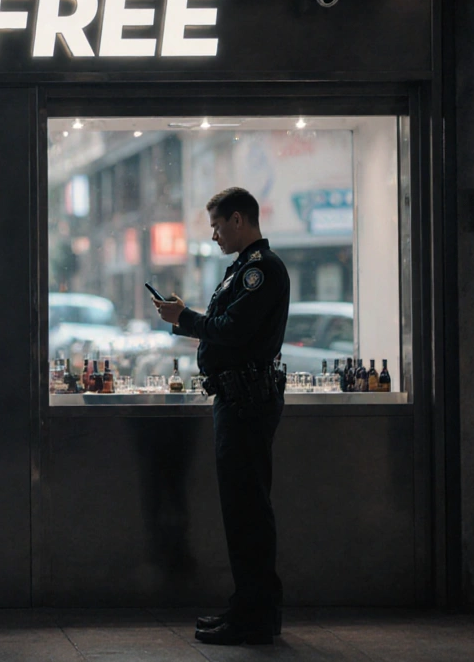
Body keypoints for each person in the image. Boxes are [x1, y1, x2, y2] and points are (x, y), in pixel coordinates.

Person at [152, 187, 290, 646]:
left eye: (216, 225)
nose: (212, 235)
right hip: (235, 400)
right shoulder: (242, 270)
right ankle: (246, 606)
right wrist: (187, 318)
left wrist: (183, 317)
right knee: (240, 509)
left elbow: (233, 330)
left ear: (237, 219)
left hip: (247, 402)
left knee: (248, 510)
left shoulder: (260, 271)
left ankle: (256, 616)